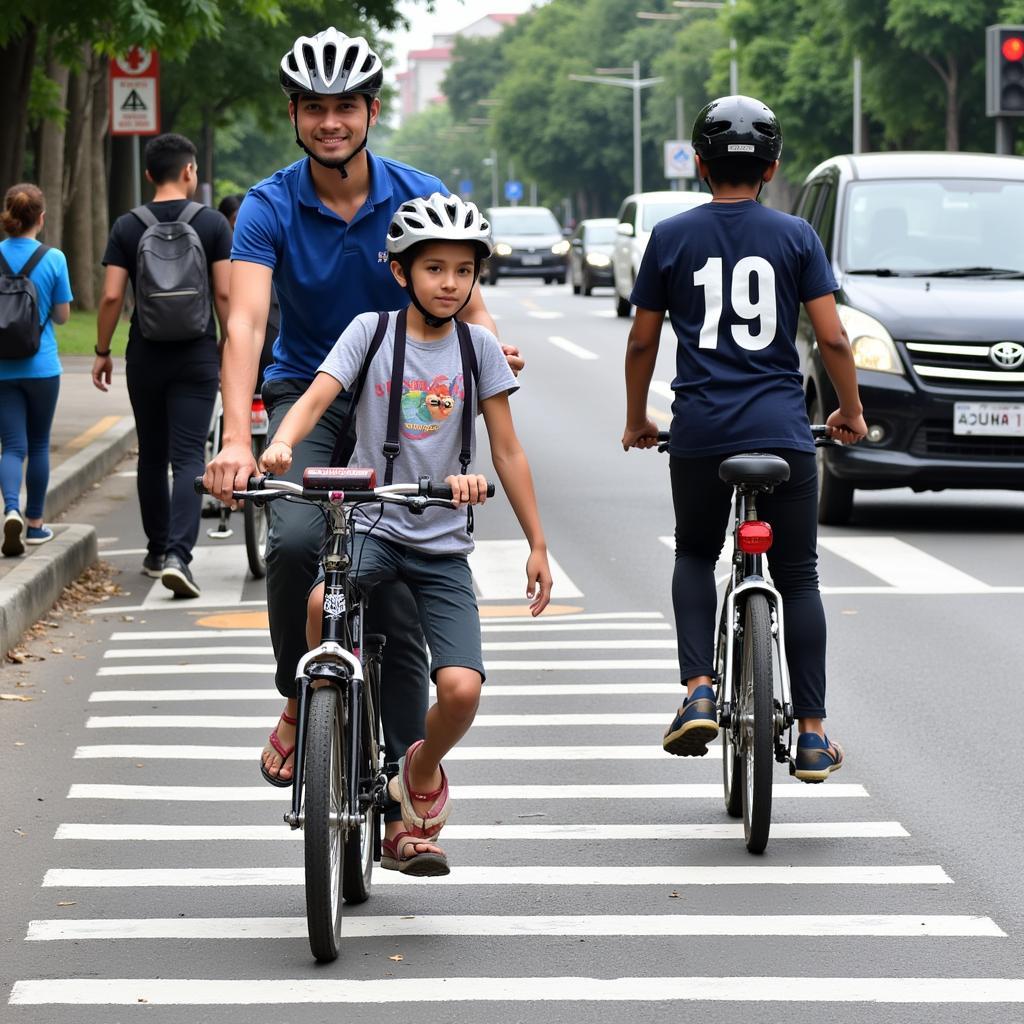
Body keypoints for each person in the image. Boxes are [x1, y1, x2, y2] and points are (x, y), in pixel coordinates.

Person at [202, 28, 519, 863]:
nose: (332, 122)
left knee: (409, 591)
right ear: (296, 115)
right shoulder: (268, 205)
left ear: (372, 112)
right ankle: (300, 699)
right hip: (315, 396)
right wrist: (240, 439)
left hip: (403, 398)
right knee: (301, 539)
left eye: (347, 107)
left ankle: (400, 803)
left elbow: (466, 294)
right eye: (316, 109)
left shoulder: (416, 190)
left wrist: (493, 341)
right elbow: (245, 320)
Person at [259, 193, 551, 874]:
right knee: (315, 606)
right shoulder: (371, 330)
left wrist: (537, 543)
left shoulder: (480, 350)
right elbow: (317, 396)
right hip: (374, 525)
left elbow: (507, 450)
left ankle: (418, 772)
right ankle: (309, 708)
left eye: (462, 270)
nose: (449, 283)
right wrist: (283, 444)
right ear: (401, 273)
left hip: (442, 542)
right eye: (434, 269)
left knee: (461, 690)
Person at [621, 95, 868, 782]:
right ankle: (814, 733)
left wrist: (639, 417)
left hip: (700, 434)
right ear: (773, 167)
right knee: (798, 576)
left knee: (697, 552)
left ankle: (699, 688)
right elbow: (833, 338)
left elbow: (643, 340)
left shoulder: (670, 237)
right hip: (784, 434)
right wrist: (849, 410)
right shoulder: (796, 237)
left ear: (698, 166)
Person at [94, 133, 232, 596]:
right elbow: (226, 292)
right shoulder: (212, 223)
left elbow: (113, 294)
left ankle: (155, 552)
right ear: (189, 171)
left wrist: (101, 350)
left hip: (146, 353)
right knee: (189, 455)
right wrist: (230, 342)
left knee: (151, 455)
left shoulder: (128, 226)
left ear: (150, 174)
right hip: (196, 353)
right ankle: (179, 555)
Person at [0, 184, 72, 557]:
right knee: (39, 443)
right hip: (42, 365)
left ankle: (10, 507)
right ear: (41, 218)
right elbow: (61, 315)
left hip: (2, 370)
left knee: (12, 445)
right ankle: (35, 523)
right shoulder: (54, 258)